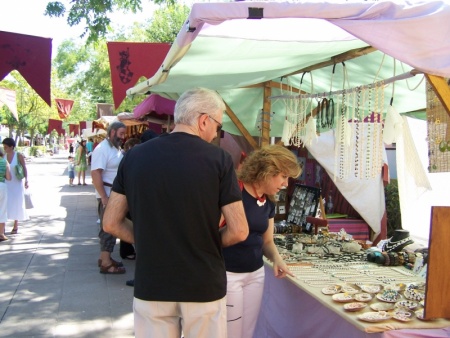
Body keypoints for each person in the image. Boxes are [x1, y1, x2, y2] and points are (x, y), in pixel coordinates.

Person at [103, 87, 249, 338]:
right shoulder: (220, 160)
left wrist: (148, 241)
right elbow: (239, 230)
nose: (217, 133)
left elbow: (111, 223)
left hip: (152, 283)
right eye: (218, 127)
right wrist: (207, 243)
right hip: (203, 284)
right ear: (204, 120)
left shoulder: (134, 156)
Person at [223, 145, 302, 338]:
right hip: (228, 274)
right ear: (267, 171)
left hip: (255, 274)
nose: (285, 183)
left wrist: (277, 259)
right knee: (231, 332)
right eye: (283, 176)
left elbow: (267, 241)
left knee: (248, 332)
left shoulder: (268, 202)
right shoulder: (235, 192)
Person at [91, 121, 127, 274]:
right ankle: (106, 262)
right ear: (112, 133)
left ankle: (104, 257)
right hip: (108, 193)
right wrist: (104, 197)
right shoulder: (102, 149)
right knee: (109, 228)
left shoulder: (114, 147)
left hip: (114, 193)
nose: (123, 137)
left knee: (110, 227)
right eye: (121, 134)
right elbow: (95, 174)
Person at [1, 138, 29, 234]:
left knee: (17, 202)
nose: (4, 149)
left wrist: (26, 180)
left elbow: (24, 167)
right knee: (5, 204)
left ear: (11, 147)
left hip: (16, 183)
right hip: (6, 183)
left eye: (6, 147)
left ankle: (16, 225)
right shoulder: (3, 156)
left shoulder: (19, 156)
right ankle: (2, 226)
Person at [0, 148, 12, 241]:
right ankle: (1, 234)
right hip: (2, 186)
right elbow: (8, 177)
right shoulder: (5, 162)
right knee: (2, 209)